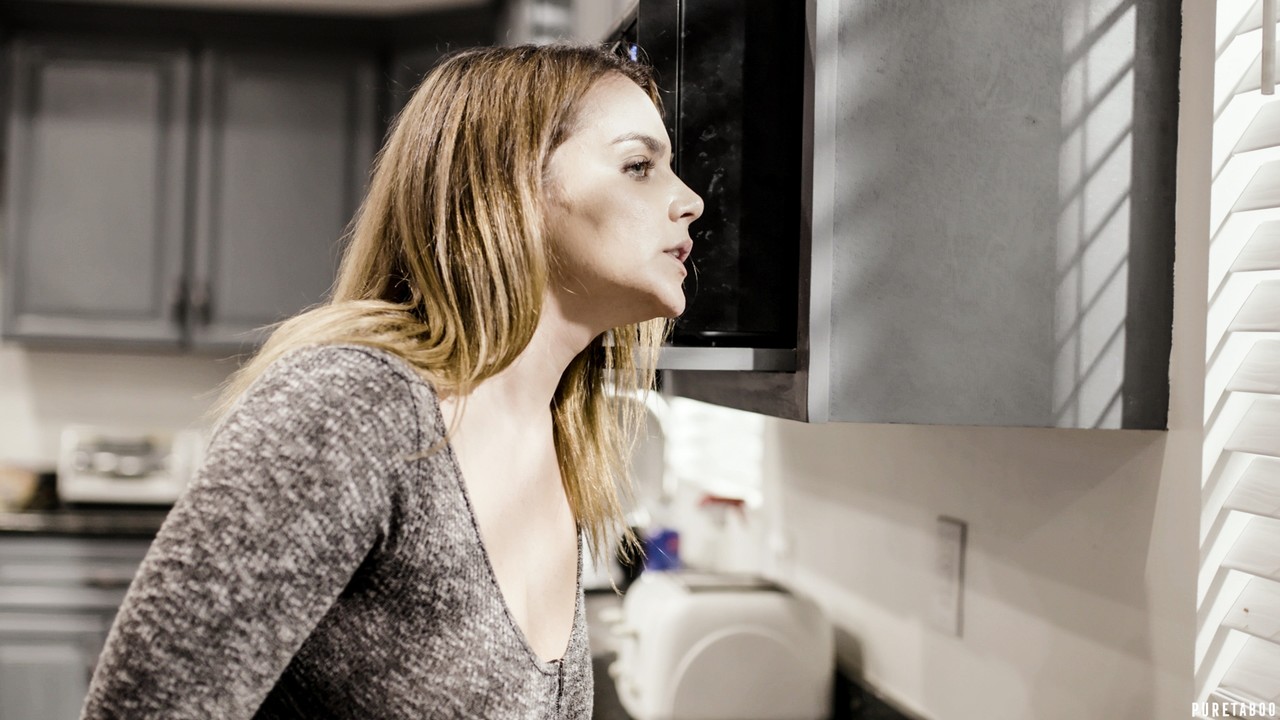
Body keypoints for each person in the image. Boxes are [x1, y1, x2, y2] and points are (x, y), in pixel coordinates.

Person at [80, 43, 703, 720]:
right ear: (512, 189)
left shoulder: (552, 440)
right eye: (638, 166)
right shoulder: (350, 407)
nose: (691, 201)